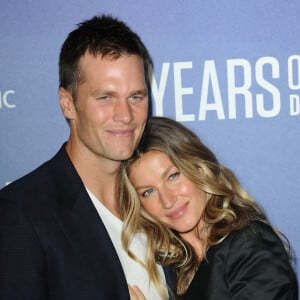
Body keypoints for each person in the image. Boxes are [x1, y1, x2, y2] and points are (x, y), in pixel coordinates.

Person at [0, 15, 174, 300]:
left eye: (136, 97)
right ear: (68, 103)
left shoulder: (160, 201)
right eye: (105, 97)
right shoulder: (21, 215)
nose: (125, 115)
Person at [120, 116, 299, 299]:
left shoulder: (250, 243)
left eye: (172, 177)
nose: (167, 200)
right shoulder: (166, 268)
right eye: (148, 191)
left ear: (200, 169)